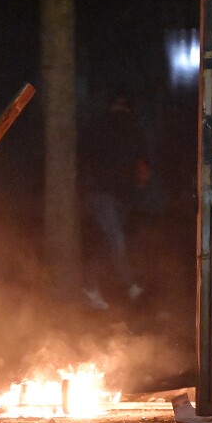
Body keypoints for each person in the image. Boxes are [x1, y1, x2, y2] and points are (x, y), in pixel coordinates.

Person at [82, 87, 153, 310]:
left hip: (110, 195)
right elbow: (142, 167)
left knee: (107, 242)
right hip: (107, 195)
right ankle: (131, 287)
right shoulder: (120, 128)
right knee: (116, 239)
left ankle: (91, 289)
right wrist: (138, 184)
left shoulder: (109, 127)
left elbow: (141, 166)